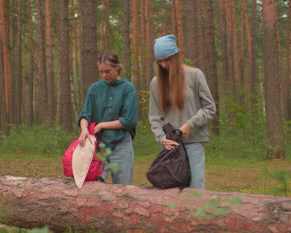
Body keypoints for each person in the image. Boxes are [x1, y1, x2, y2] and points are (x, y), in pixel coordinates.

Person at [148, 35, 216, 189]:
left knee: (196, 189)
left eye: (167, 60)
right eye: (160, 61)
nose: (164, 64)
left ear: (176, 56)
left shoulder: (195, 75)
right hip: (170, 146)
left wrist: (190, 125)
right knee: (171, 190)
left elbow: (210, 108)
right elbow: (154, 116)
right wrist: (161, 138)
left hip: (193, 142)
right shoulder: (155, 83)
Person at [77, 51, 138, 184]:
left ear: (117, 67)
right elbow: (85, 114)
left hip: (121, 144)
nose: (104, 75)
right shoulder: (94, 89)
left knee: (123, 189)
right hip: (98, 146)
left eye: (107, 71)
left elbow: (128, 120)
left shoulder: (128, 89)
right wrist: (84, 130)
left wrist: (101, 125)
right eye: (101, 72)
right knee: (92, 186)